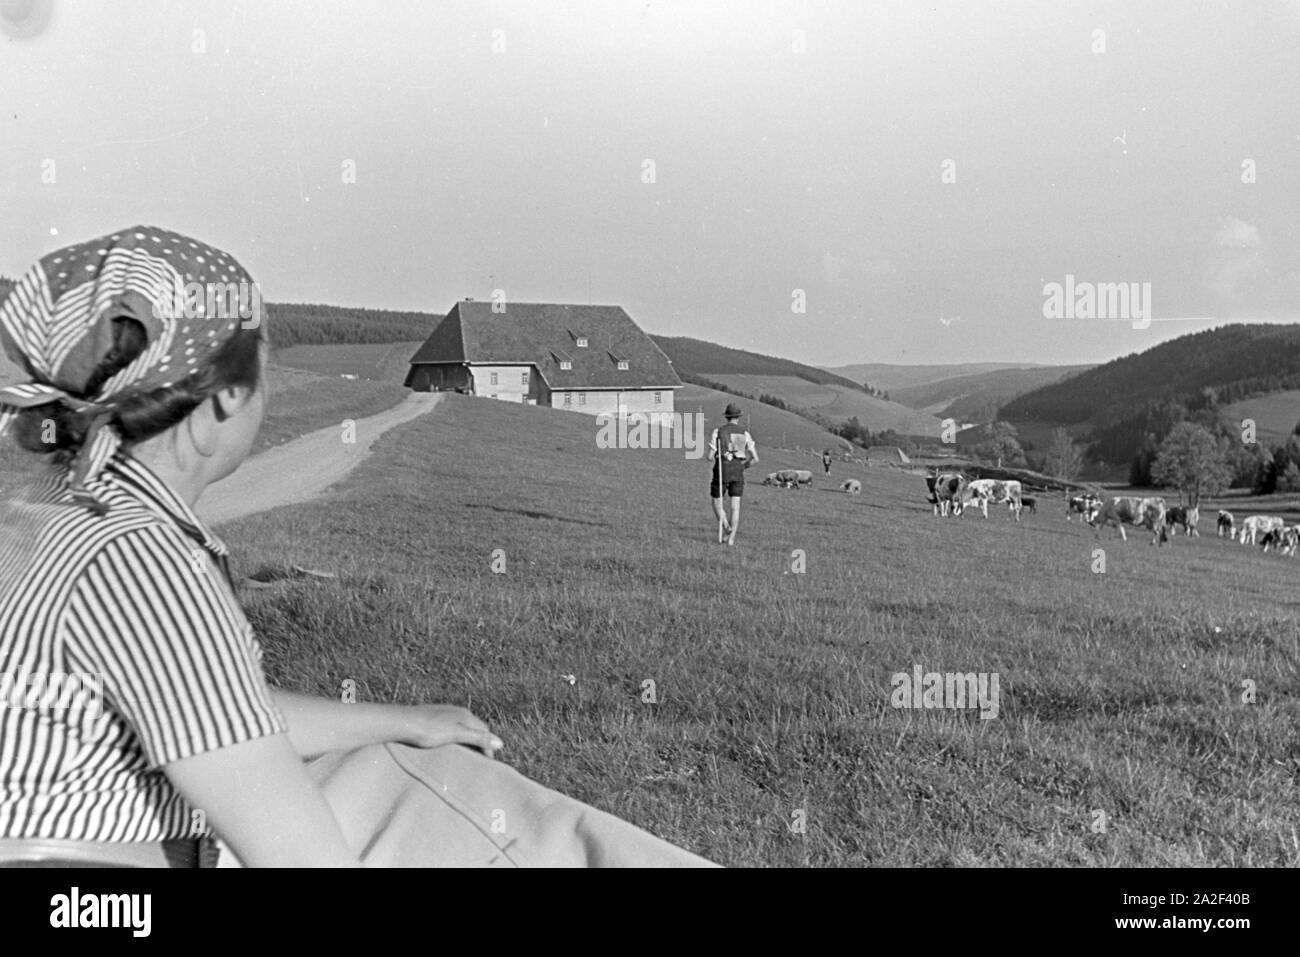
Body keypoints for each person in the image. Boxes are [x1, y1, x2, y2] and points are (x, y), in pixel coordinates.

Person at [0, 227, 714, 868]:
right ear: (224, 398)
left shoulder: (49, 517)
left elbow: (215, 709)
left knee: (401, 770)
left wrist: (402, 719)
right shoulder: (143, 564)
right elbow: (293, 849)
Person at [707, 403, 758, 546]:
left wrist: (717, 453)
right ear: (738, 417)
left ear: (726, 417)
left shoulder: (718, 432)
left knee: (717, 501)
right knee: (735, 506)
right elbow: (755, 459)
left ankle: (725, 526)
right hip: (737, 470)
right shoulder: (745, 433)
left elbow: (710, 457)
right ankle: (731, 539)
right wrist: (743, 467)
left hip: (722, 469)